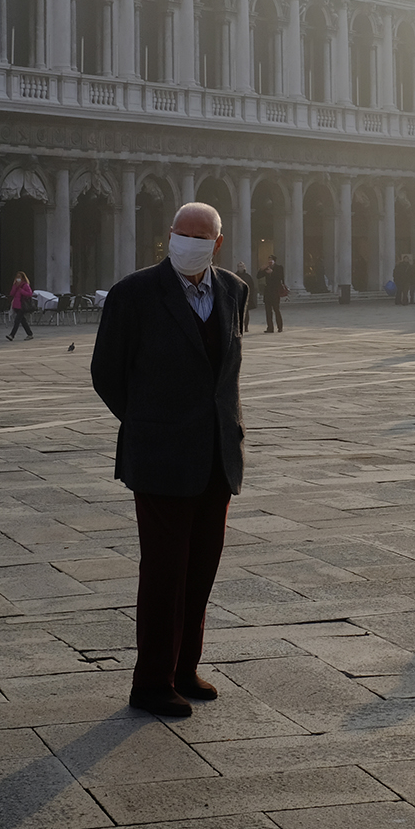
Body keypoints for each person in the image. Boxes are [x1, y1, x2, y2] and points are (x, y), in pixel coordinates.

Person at [90, 202, 247, 718]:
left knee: (200, 570)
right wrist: (146, 424)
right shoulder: (133, 293)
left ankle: (184, 668)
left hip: (216, 456)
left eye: (201, 236)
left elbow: (222, 373)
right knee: (163, 572)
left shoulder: (232, 290)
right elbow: (106, 373)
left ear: (217, 243)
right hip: (159, 456)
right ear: (169, 236)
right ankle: (151, 681)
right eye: (183, 233)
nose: (190, 242)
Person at [258, 255, 285, 333]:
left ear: (274, 261)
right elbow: (258, 276)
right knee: (268, 311)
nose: (269, 262)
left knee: (276, 309)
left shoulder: (279, 268)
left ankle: (280, 327)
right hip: (268, 291)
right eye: (268, 260)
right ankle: (270, 327)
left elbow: (280, 277)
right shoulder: (266, 268)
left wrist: (272, 272)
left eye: (271, 260)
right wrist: (261, 269)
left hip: (275, 291)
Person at [6, 270, 36, 341]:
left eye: (19, 277)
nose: (18, 278)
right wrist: (15, 286)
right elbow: (12, 294)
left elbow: (30, 294)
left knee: (17, 320)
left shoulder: (25, 285)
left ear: (22, 278)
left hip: (22, 305)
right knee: (23, 321)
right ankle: (29, 334)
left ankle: (12, 335)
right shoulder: (15, 285)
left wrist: (21, 291)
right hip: (16, 305)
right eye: (17, 277)